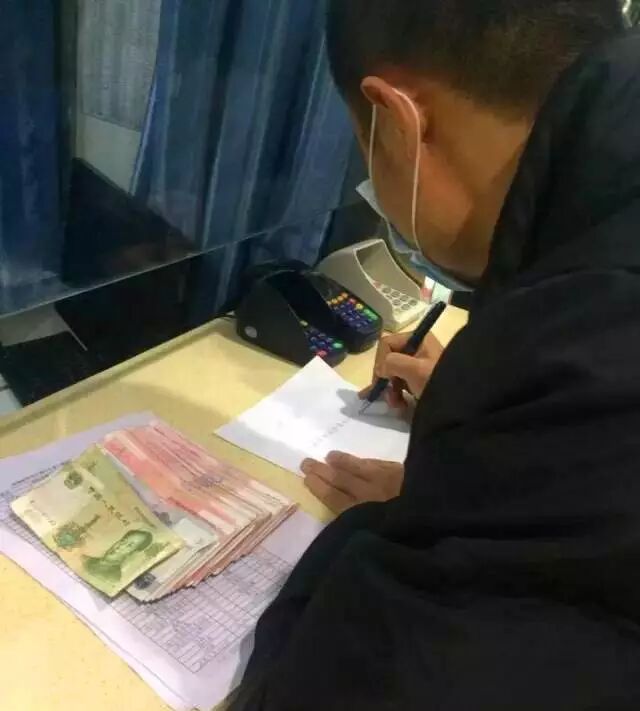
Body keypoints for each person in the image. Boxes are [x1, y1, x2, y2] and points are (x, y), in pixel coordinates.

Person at [231, 1, 640, 709]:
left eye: (364, 151)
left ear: (396, 123)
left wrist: (404, 519)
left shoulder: (586, 352)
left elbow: (347, 683)